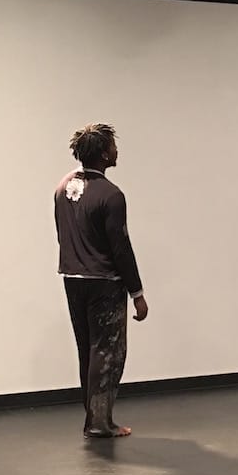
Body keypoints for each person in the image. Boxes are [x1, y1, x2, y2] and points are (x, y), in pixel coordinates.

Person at [54, 123, 148, 438]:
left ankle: (91, 418)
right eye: (114, 146)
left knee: (87, 350)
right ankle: (100, 422)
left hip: (72, 278)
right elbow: (120, 247)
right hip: (104, 282)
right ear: (105, 153)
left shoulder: (62, 188)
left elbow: (62, 235)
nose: (117, 151)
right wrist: (137, 292)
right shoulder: (112, 195)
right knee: (108, 351)